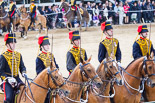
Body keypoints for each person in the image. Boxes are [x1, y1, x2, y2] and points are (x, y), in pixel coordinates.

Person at [0, 33, 27, 103]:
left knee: (26, 92)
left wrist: (23, 72)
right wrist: (7, 78)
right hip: (7, 81)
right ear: (7, 45)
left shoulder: (18, 55)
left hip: (17, 79)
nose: (14, 44)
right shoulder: (3, 56)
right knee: (8, 98)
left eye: (14, 43)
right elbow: (1, 71)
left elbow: (22, 66)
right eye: (12, 43)